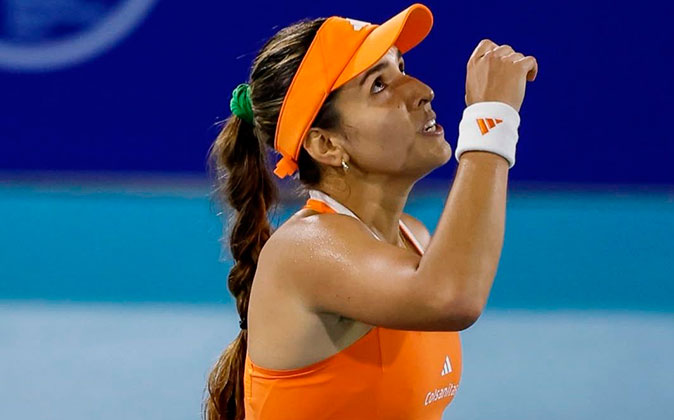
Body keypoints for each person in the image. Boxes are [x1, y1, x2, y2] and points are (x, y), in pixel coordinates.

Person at [203, 3, 538, 419]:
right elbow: (451, 298)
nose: (421, 90)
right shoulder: (307, 248)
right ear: (326, 145)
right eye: (379, 85)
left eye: (402, 67)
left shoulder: (413, 238)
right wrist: (492, 120)